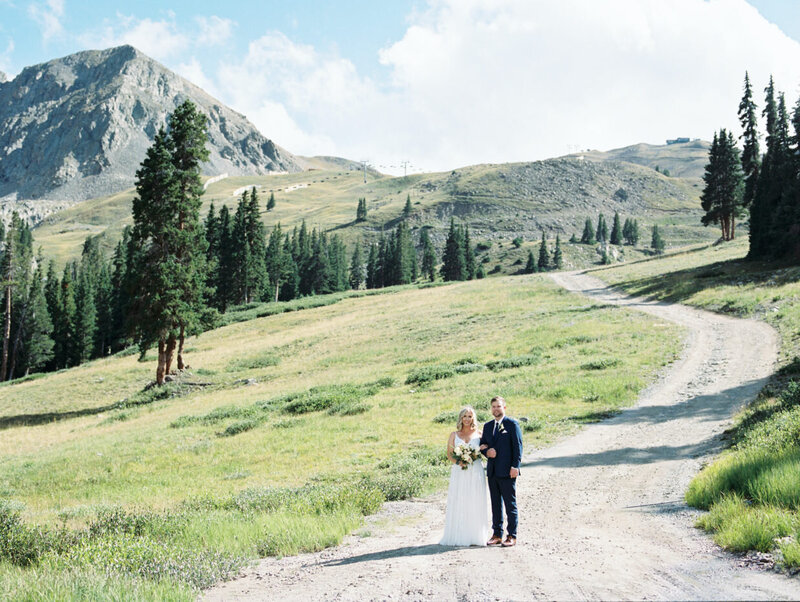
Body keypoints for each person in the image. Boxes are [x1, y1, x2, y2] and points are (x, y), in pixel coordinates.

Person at [439, 406, 490, 546]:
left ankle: (476, 535)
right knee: (460, 499)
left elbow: (485, 451)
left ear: (473, 418)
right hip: (459, 471)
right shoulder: (454, 435)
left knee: (475, 499)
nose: (467, 419)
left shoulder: (479, 434)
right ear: (461, 418)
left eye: (470, 416)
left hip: (475, 470)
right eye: (465, 416)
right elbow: (449, 454)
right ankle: (459, 534)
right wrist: (459, 461)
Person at [480, 395, 523, 547]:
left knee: (510, 504)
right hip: (492, 471)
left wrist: (515, 466)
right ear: (491, 409)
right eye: (493, 407)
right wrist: (486, 453)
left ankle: (512, 535)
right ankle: (497, 533)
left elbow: (518, 447)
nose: (496, 409)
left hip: (507, 471)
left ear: (504, 407)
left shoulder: (512, 424)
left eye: (498, 406)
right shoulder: (487, 426)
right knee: (495, 504)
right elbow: (483, 444)